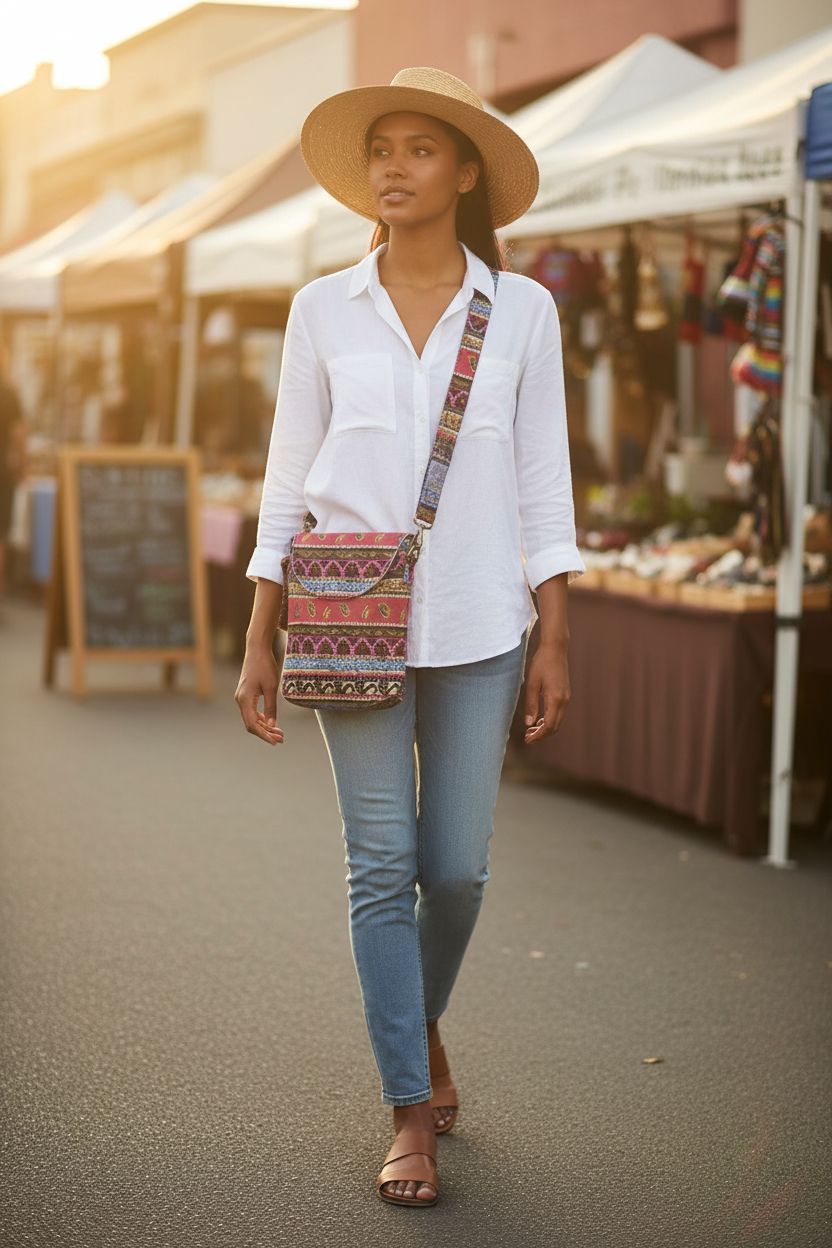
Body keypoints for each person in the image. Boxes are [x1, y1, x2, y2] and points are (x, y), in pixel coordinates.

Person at [234, 67, 585, 1207]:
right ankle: (406, 1105)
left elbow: (544, 482)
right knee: (381, 868)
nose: (392, 165)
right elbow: (286, 478)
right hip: (345, 616)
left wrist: (557, 634)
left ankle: (415, 1017)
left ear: (465, 170)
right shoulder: (320, 310)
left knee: (458, 868)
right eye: (379, 147)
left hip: (484, 618)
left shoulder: (522, 311)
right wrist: (258, 632)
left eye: (419, 149)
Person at [0, 342, 26, 603]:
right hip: (1, 471)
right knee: (1, 532)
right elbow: (19, 434)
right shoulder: (9, 393)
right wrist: (23, 466)